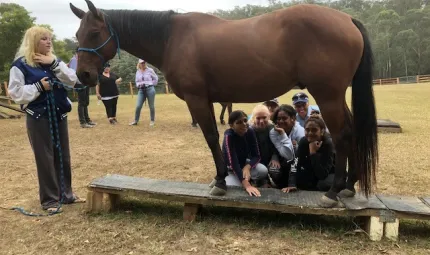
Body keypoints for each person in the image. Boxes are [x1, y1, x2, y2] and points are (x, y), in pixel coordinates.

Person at [7, 26, 85, 212]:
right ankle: (50, 200)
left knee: (63, 156)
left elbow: (73, 80)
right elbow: (16, 93)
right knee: (45, 158)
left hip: (59, 114)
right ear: (33, 41)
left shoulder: (54, 62)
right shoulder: (20, 65)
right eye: (43, 38)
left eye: (49, 38)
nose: (48, 41)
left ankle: (66, 195)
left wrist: (55, 64)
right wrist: (38, 87)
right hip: (38, 117)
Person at [282, 115, 335, 193]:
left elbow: (322, 174)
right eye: (307, 130)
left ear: (322, 131)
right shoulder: (304, 141)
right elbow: (295, 164)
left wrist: (313, 153)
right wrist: (292, 184)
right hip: (312, 170)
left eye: (314, 130)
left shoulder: (328, 144)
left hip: (330, 173)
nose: (310, 133)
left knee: (323, 184)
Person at [222, 110, 268, 197]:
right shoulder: (229, 136)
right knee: (233, 187)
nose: (244, 124)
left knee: (263, 170)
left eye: (245, 120)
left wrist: (247, 167)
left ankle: (247, 178)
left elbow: (257, 156)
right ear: (231, 125)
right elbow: (233, 163)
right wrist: (247, 185)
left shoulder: (250, 131)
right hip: (230, 169)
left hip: (243, 164)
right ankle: (244, 180)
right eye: (239, 122)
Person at [249, 104, 280, 187]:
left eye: (264, 117)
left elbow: (277, 146)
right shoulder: (249, 131)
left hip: (269, 158)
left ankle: (278, 183)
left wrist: (275, 157)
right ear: (253, 118)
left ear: (269, 117)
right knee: (261, 171)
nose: (261, 121)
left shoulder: (273, 128)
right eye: (258, 118)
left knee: (275, 170)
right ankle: (259, 180)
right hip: (255, 161)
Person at [68, 48, 96, 128]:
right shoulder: (74, 60)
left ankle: (87, 120)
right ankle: (82, 122)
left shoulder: (82, 60)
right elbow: (73, 72)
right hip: (79, 83)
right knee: (81, 102)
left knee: (86, 102)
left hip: (85, 82)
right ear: (78, 52)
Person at [129, 59, 159, 126]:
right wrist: (139, 85)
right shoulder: (138, 71)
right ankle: (135, 121)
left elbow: (156, 78)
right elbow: (137, 81)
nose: (143, 64)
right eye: (141, 63)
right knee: (138, 106)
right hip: (141, 90)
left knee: (151, 106)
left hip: (150, 89)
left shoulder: (150, 70)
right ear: (139, 64)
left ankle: (152, 120)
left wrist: (151, 84)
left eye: (144, 63)